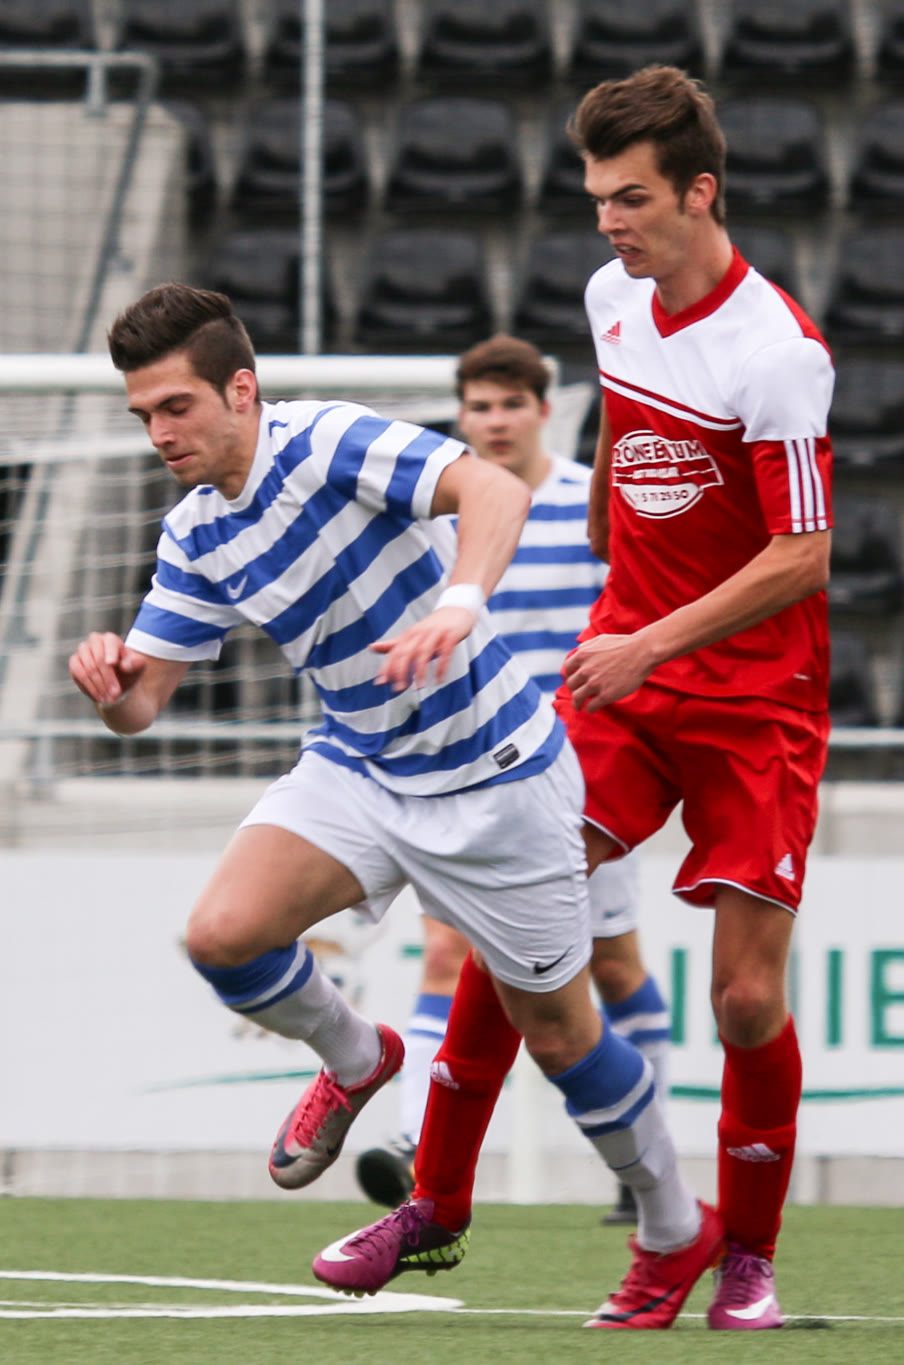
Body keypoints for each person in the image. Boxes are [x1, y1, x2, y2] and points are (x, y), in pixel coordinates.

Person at [69, 283, 701, 1315]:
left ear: (241, 390)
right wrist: (106, 684)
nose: (159, 433)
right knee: (222, 936)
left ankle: (672, 1227)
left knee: (561, 1039)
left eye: (175, 406)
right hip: (360, 768)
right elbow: (140, 706)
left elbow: (491, 491)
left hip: (498, 776)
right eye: (143, 415)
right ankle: (357, 1057)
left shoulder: (323, 441)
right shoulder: (193, 531)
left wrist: (457, 606)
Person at [333, 66, 833, 1330]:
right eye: (597, 198)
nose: (607, 223)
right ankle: (433, 1206)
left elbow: (800, 556)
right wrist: (617, 563)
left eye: (630, 198)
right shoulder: (612, 298)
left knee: (743, 1000)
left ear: (698, 192)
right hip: (627, 685)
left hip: (752, 704)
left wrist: (648, 639)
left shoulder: (776, 353)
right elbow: (626, 431)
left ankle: (744, 1257)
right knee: (507, 920)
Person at [352, 336, 674, 1229]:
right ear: (462, 414)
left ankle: (645, 1155)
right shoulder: (444, 514)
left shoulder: (590, 502)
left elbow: (634, 612)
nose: (493, 421)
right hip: (470, 768)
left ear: (544, 410)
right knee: (447, 954)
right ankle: (414, 1145)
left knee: (613, 965)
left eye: (509, 405)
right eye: (479, 406)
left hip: (580, 770)